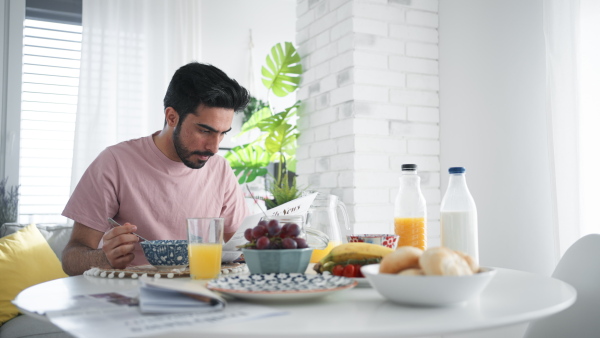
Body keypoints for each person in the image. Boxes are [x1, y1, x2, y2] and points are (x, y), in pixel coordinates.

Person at [61, 62, 250, 276]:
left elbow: (245, 250)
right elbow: (70, 259)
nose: (214, 147)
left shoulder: (220, 170)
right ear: (172, 117)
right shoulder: (114, 162)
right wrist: (103, 258)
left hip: (203, 293)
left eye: (223, 133)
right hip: (132, 297)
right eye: (205, 131)